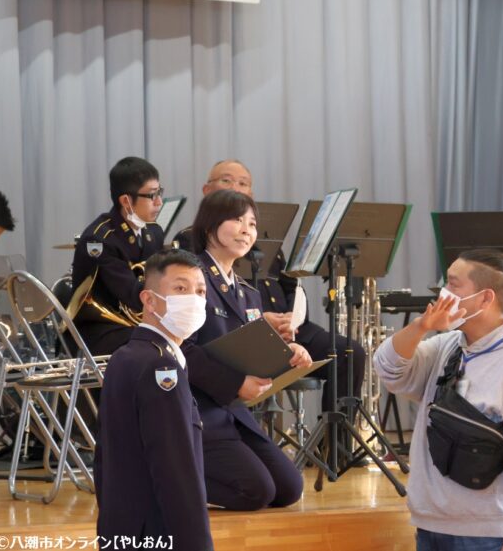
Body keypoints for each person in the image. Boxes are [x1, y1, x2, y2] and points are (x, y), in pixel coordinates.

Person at [375, 249, 503, 551]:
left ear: (485, 299)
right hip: (430, 523)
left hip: (487, 535)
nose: (443, 292)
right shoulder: (449, 344)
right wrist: (421, 327)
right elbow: (388, 368)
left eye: (454, 284)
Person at [174, 159, 365, 413]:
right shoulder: (194, 249)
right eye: (227, 180)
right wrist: (264, 323)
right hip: (243, 338)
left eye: (243, 183)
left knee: (349, 352)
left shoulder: (258, 245)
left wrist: (292, 323)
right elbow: (196, 335)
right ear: (207, 190)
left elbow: (290, 284)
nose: (246, 230)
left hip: (284, 329)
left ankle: (335, 446)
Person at [181, 189, 310, 511]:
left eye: (252, 224)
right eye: (237, 220)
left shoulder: (248, 294)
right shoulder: (192, 279)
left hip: (233, 411)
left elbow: (247, 352)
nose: (246, 230)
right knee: (255, 492)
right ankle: (161, 475)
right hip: (197, 409)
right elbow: (182, 350)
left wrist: (290, 352)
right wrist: (237, 382)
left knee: (289, 488)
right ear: (210, 226)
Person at [94, 249, 213, 551]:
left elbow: (104, 460)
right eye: (180, 288)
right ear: (148, 300)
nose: (194, 299)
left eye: (200, 291)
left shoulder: (125, 356)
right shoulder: (162, 367)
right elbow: (176, 472)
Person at [71, 157, 165, 355]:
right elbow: (132, 295)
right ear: (126, 201)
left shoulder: (153, 232)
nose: (159, 202)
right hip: (99, 329)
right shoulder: (98, 240)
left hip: (135, 322)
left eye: (160, 193)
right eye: (152, 195)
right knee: (158, 342)